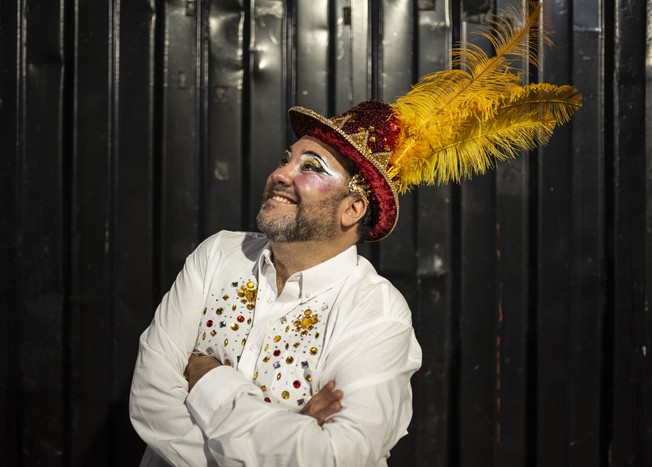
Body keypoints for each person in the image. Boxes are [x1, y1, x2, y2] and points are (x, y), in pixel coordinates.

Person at [130, 5, 580, 465]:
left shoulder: (376, 314)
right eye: (287, 157)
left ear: (353, 209)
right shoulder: (217, 255)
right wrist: (291, 427)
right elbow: (149, 397)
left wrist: (206, 379)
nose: (281, 173)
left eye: (310, 167)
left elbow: (334, 457)